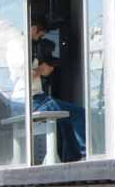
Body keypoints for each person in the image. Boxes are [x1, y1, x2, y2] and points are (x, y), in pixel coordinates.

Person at [29, 15, 86, 161]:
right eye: (41, 34)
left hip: (37, 98)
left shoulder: (28, 48)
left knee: (65, 117)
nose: (41, 37)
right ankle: (84, 153)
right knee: (78, 113)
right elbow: (25, 75)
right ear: (34, 29)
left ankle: (73, 157)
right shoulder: (19, 47)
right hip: (33, 100)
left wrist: (43, 69)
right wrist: (42, 70)